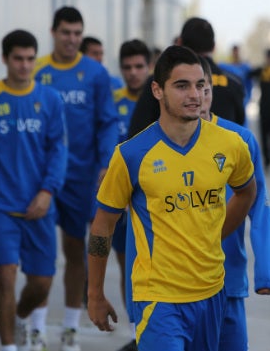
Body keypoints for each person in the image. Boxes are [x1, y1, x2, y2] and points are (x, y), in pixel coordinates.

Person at [86, 45, 257, 350]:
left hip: (212, 292)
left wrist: (214, 233)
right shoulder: (131, 155)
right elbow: (102, 226)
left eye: (200, 85)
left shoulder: (232, 145)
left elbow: (246, 192)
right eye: (182, 85)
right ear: (157, 90)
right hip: (158, 300)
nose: (195, 94)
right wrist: (95, 294)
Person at [0, 29, 68, 351]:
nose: (25, 66)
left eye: (29, 59)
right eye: (18, 59)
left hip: (40, 204)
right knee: (5, 278)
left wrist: (47, 191)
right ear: (5, 59)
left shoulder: (50, 100)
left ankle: (21, 318)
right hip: (0, 205)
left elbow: (58, 150)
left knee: (41, 283)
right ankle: (9, 346)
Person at [33, 6, 119, 351]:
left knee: (73, 252)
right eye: (66, 32)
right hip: (39, 180)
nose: (71, 39)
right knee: (39, 256)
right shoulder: (36, 70)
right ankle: (36, 329)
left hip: (80, 178)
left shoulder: (95, 73)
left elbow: (108, 122)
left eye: (77, 33)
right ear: (53, 32)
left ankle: (70, 328)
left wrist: (104, 164)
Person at [200, 58, 270, 351]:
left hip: (227, 279)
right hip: (173, 287)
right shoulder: (152, 146)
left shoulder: (239, 140)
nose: (196, 97)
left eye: (203, 88)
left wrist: (266, 271)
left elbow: (260, 205)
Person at [127, 17, 245, 137]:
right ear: (214, 47)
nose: (196, 95)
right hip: (223, 154)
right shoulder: (234, 83)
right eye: (182, 86)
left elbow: (138, 131)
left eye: (202, 87)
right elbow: (241, 125)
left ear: (179, 42)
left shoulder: (160, 79)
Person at [111, 38, 151, 351]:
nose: (133, 73)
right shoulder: (111, 102)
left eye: (139, 66)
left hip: (155, 203)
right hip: (120, 201)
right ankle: (137, 330)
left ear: (150, 68)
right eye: (128, 67)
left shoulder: (160, 102)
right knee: (129, 267)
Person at [219, 44, 253, 126]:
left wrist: (248, 97)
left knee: (242, 121)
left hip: (242, 98)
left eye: (237, 52)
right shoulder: (227, 67)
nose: (236, 54)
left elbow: (250, 84)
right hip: (231, 98)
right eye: (234, 52)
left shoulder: (245, 68)